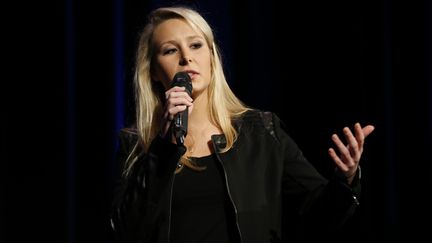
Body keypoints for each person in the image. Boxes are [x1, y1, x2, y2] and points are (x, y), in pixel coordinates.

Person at [109, 5, 375, 243]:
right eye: (170, 50)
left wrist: (346, 178)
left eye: (196, 45)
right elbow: (124, 231)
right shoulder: (137, 145)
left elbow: (322, 216)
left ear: (212, 57)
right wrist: (163, 149)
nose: (186, 58)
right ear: (154, 72)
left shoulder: (261, 132)